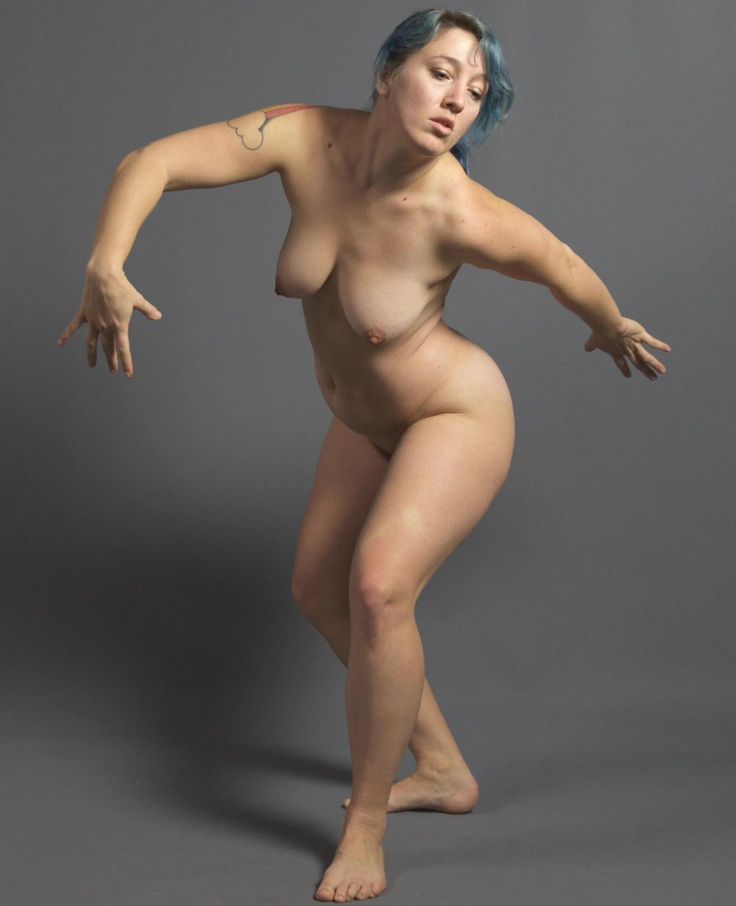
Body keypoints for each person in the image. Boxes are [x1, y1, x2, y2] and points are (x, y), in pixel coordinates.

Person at [57, 8, 671, 902]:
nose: (457, 100)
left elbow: (559, 262)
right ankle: (443, 767)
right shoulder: (301, 137)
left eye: (478, 91)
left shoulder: (460, 210)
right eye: (441, 72)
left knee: (379, 589)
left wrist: (610, 325)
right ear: (388, 73)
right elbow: (147, 162)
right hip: (360, 422)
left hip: (453, 413)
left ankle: (367, 828)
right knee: (318, 592)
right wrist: (107, 263)